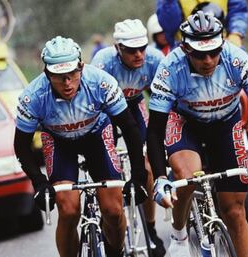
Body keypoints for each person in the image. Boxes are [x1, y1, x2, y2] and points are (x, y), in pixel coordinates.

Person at [147, 11, 248, 257]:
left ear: (223, 44)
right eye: (199, 54)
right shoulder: (170, 69)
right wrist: (159, 177)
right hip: (186, 123)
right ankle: (179, 234)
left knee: (235, 211)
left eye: (213, 52)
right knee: (188, 177)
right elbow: (154, 131)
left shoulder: (238, 61)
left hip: (225, 124)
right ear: (186, 49)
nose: (207, 60)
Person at [14, 36, 148, 257]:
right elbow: (21, 146)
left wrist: (139, 176)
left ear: (81, 67)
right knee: (68, 211)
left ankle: (116, 251)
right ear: (47, 74)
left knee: (113, 211)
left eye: (72, 75)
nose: (67, 83)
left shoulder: (101, 82)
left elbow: (130, 129)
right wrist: (39, 183)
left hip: (96, 136)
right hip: (59, 142)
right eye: (59, 77)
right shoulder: (33, 96)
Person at [91, 19, 166, 257]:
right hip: (106, 113)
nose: (139, 55)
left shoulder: (155, 59)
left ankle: (151, 230)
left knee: (148, 165)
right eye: (131, 50)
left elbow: (163, 99)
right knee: (107, 165)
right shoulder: (102, 63)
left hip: (134, 105)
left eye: (142, 48)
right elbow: (93, 107)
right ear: (118, 48)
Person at [156, 0, 248, 48]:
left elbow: (238, 10)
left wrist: (236, 34)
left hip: (223, 41)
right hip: (186, 47)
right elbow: (169, 25)